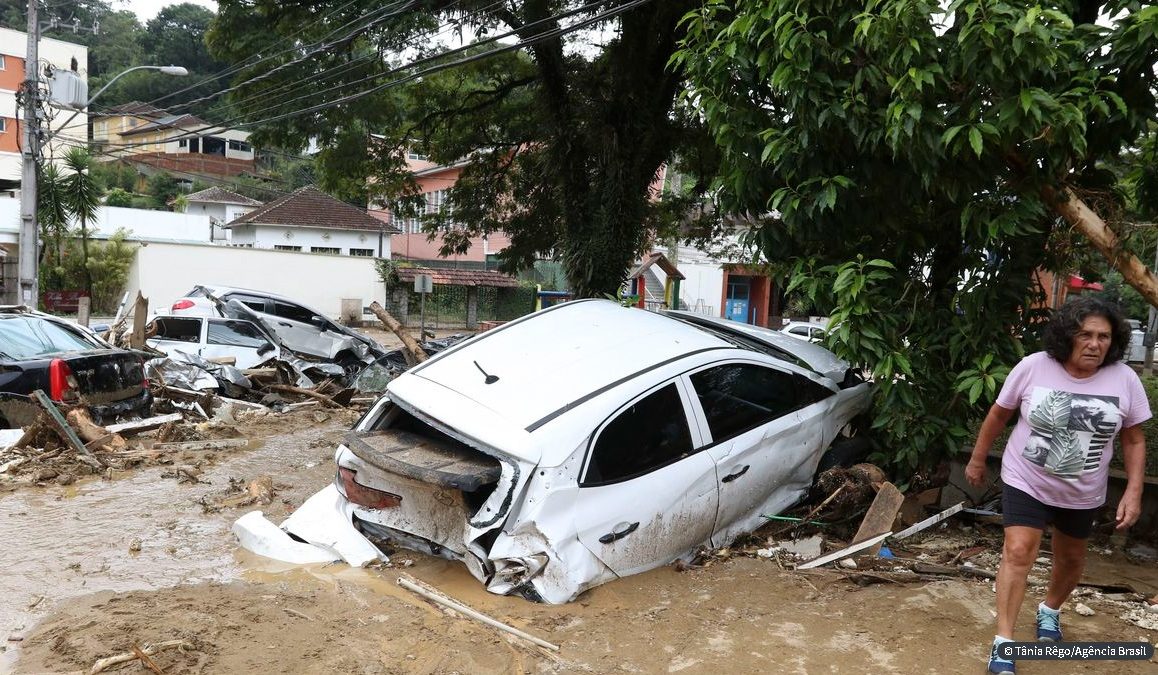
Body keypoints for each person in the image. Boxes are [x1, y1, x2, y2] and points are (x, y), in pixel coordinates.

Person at [965, 296, 1149, 674]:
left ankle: (1049, 609)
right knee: (1018, 552)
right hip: (1026, 479)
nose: (1095, 344)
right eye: (1085, 335)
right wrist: (978, 457)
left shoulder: (1125, 379)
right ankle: (1004, 643)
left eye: (1103, 336)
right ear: (1067, 336)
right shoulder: (1034, 367)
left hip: (1082, 491)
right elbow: (999, 414)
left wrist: (1133, 490)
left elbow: (1133, 438)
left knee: (1071, 560)